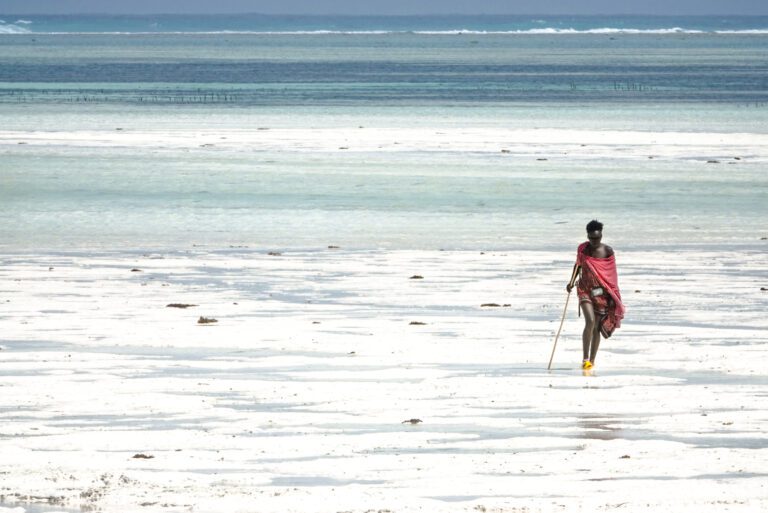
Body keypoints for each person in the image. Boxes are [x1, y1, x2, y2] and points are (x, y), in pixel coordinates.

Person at [566, 220, 625, 370]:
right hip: (584, 288)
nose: (594, 241)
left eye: (597, 238)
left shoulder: (608, 251)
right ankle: (585, 358)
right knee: (590, 321)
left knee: (597, 328)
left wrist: (613, 295)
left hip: (601, 294)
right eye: (591, 238)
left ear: (601, 236)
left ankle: (591, 361)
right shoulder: (583, 249)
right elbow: (578, 265)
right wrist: (571, 282)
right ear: (587, 236)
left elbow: (611, 276)